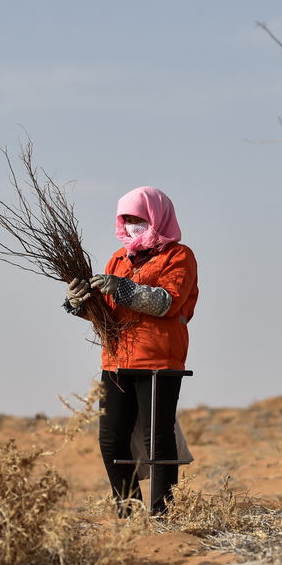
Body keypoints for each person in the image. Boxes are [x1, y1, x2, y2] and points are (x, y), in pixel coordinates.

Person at [63, 186, 199, 517]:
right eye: (127, 219)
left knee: (158, 441)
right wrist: (78, 303)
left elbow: (167, 302)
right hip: (116, 361)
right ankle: (129, 513)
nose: (132, 224)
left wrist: (121, 288)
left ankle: (161, 515)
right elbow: (107, 314)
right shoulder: (117, 259)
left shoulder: (179, 256)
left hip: (159, 360)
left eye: (139, 218)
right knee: (110, 441)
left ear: (158, 217)